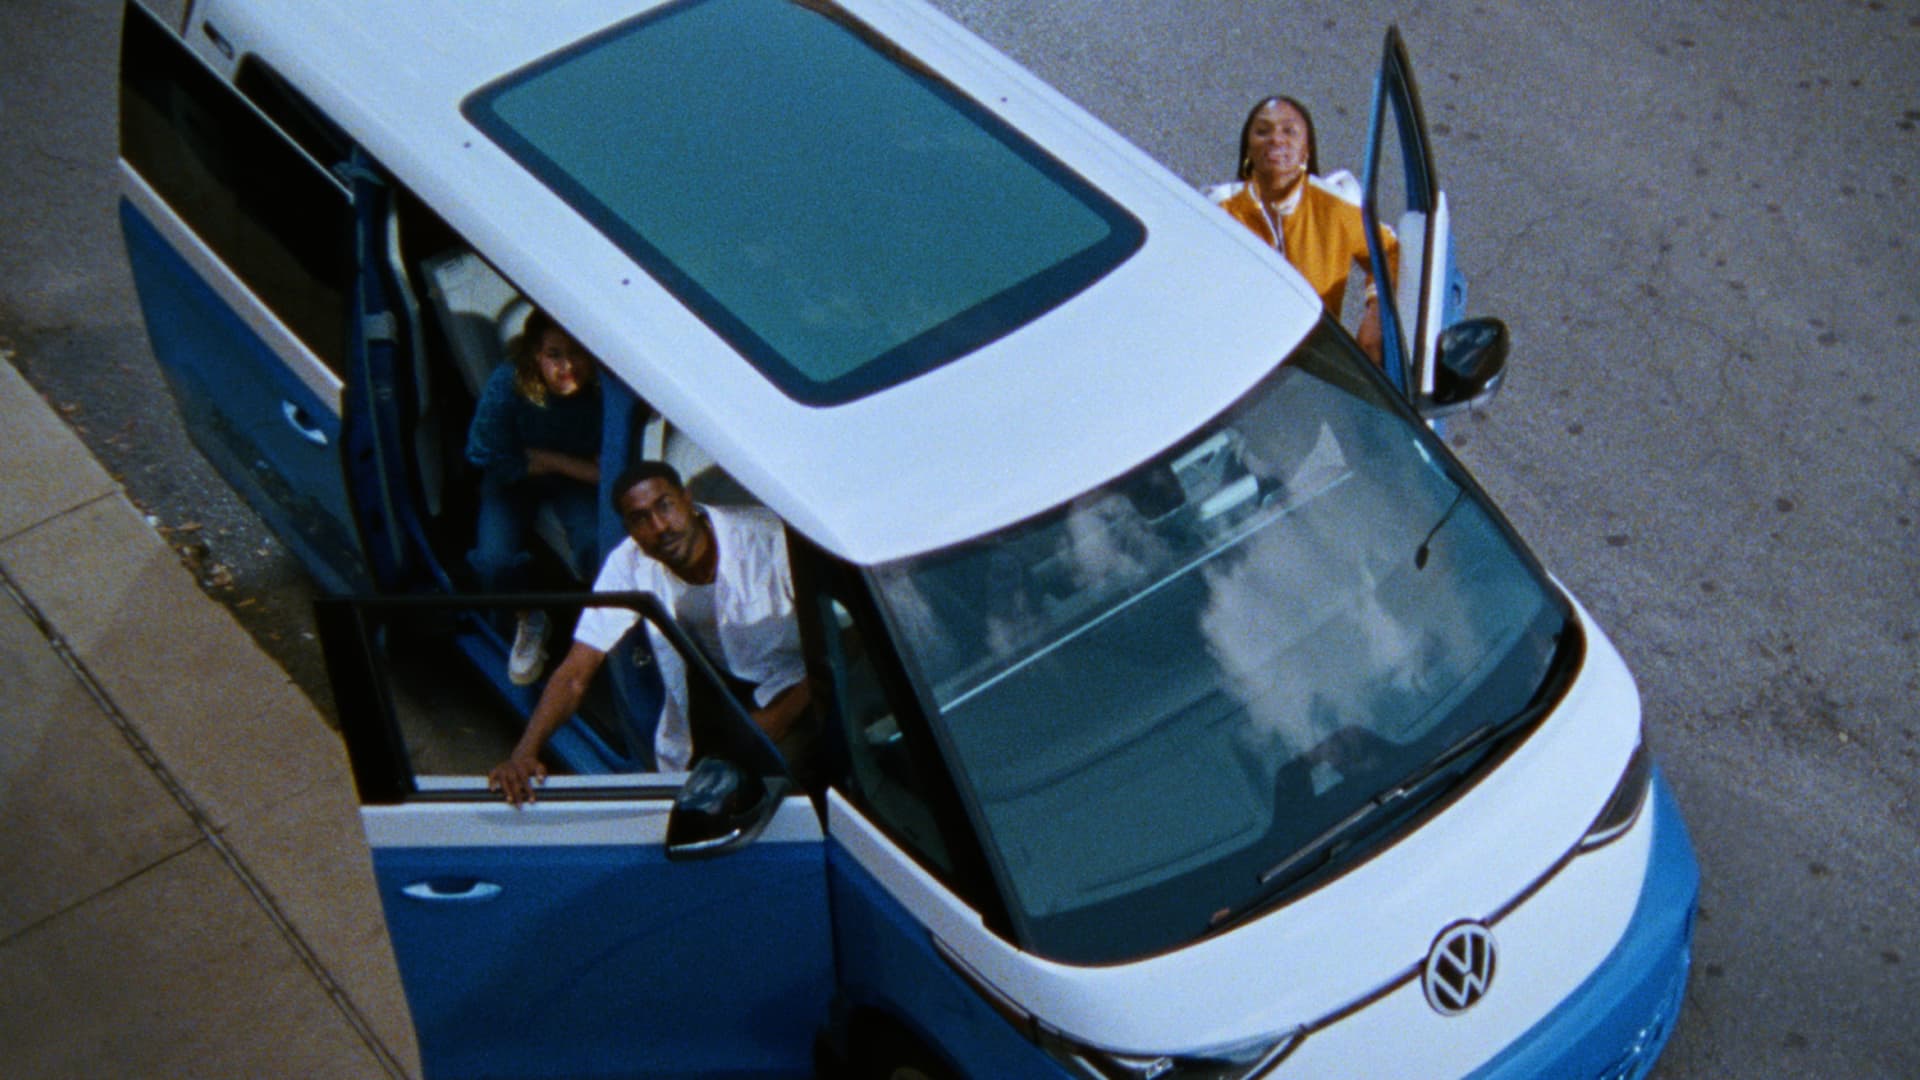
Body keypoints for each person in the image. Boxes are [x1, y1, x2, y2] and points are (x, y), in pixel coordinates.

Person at [487, 462, 812, 805]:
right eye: (640, 518)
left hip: (805, 682)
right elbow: (576, 673)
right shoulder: (628, 562)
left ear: (688, 499)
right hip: (726, 680)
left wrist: (779, 717)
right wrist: (524, 753)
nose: (659, 527)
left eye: (665, 506)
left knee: (772, 791)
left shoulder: (769, 541)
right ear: (629, 529)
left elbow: (843, 643)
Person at [464, 308, 603, 685]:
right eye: (554, 355)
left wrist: (548, 459)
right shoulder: (508, 384)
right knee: (493, 562)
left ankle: (600, 627)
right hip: (514, 475)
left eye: (576, 353)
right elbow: (484, 453)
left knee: (596, 543)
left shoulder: (601, 391)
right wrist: (550, 464)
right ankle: (529, 615)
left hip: (566, 474)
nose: (567, 367)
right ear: (535, 356)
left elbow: (605, 472)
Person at [1212, 95, 1396, 362]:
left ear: (1306, 151)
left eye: (1289, 131)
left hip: (1312, 362)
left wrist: (1376, 312)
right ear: (1248, 150)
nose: (1276, 139)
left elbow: (1390, 251)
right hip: (1239, 357)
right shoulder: (1219, 209)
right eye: (1262, 131)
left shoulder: (1335, 207)